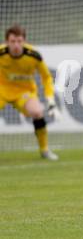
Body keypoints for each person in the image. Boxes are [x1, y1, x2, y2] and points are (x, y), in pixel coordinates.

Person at [0, 25, 60, 160]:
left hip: (24, 92)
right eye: (12, 41)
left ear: (24, 41)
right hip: (2, 90)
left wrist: (50, 100)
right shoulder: (1, 53)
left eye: (19, 41)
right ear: (6, 42)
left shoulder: (33, 56)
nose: (16, 45)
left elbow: (47, 77)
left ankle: (44, 150)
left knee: (38, 112)